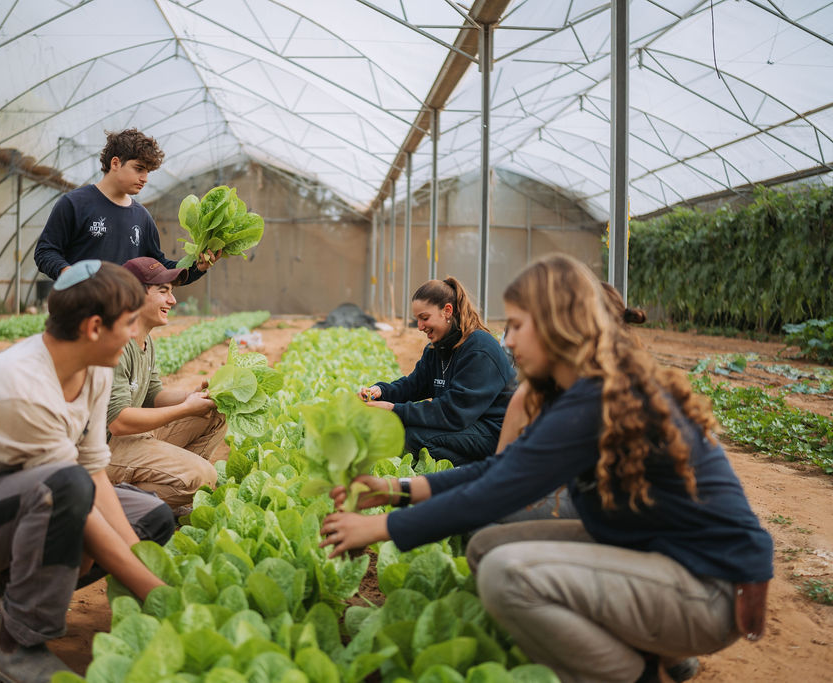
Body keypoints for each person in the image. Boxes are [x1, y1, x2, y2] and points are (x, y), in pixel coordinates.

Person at [322, 254, 773, 683]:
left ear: (559, 326)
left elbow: (496, 490)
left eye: (517, 326)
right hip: (662, 556)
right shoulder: (583, 390)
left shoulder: (598, 398)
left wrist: (380, 527)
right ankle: (655, 654)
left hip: (707, 586)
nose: (508, 340)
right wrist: (396, 488)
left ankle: (636, 674)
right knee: (487, 546)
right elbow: (499, 471)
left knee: (507, 574)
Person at [0, 260, 175, 683]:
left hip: (26, 499)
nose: (133, 335)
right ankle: (14, 644)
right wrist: (155, 591)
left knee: (152, 518)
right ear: (94, 327)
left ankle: (4, 586)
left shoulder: (95, 368)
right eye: (128, 323)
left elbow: (93, 469)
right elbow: (75, 495)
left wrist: (144, 564)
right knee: (68, 493)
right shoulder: (20, 387)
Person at [492, 282, 647, 524]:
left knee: (489, 519)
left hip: (622, 521)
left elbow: (508, 475)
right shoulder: (626, 378)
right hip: (605, 509)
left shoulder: (597, 392)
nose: (509, 342)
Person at [105, 256, 225, 512]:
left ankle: (176, 493)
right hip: (102, 451)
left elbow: (152, 396)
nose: (172, 300)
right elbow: (119, 422)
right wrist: (185, 409)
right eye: (164, 292)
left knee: (215, 411)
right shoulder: (115, 342)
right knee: (203, 477)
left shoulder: (146, 342)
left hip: (129, 439)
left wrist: (193, 397)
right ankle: (111, 503)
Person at [358, 277, 515, 466]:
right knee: (400, 429)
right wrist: (381, 392)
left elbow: (453, 412)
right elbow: (414, 385)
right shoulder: (437, 348)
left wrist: (393, 409)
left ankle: (483, 467)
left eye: (424, 318)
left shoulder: (479, 348)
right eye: (417, 319)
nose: (420, 327)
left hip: (494, 433)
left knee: (412, 437)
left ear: (447, 311)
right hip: (466, 425)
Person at [33, 128, 219, 281]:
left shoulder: (142, 218)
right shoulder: (74, 204)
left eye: (147, 172)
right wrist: (69, 274)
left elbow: (158, 267)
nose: (145, 178)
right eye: (139, 169)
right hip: (80, 312)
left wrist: (197, 268)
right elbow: (45, 251)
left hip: (122, 316)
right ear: (115, 163)